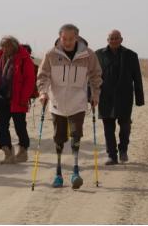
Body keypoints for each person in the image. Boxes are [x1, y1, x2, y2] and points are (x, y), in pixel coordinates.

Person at [37, 24, 102, 189]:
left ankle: (75, 172)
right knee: (58, 138)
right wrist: (43, 93)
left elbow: (95, 76)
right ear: (59, 37)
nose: (67, 42)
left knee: (76, 136)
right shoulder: (51, 54)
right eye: (64, 38)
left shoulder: (88, 55)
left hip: (78, 103)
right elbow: (43, 75)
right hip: (57, 103)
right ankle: (58, 174)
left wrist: (95, 95)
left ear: (77, 38)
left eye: (71, 39)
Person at [95, 30, 144, 165]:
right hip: (105, 97)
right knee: (108, 128)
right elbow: (93, 77)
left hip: (125, 96)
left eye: (117, 38)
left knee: (125, 125)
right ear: (107, 40)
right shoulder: (98, 55)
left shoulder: (131, 55)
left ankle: (123, 150)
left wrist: (140, 98)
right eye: (112, 38)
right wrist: (91, 95)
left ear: (121, 39)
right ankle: (112, 155)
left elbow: (137, 78)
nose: (114, 40)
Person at [0, 36, 36, 164]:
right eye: (3, 46)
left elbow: (29, 81)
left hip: (18, 99)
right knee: (1, 127)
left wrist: (24, 98)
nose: (5, 49)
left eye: (8, 46)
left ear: (14, 46)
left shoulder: (25, 59)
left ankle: (23, 151)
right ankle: (7, 153)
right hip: (2, 98)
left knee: (20, 126)